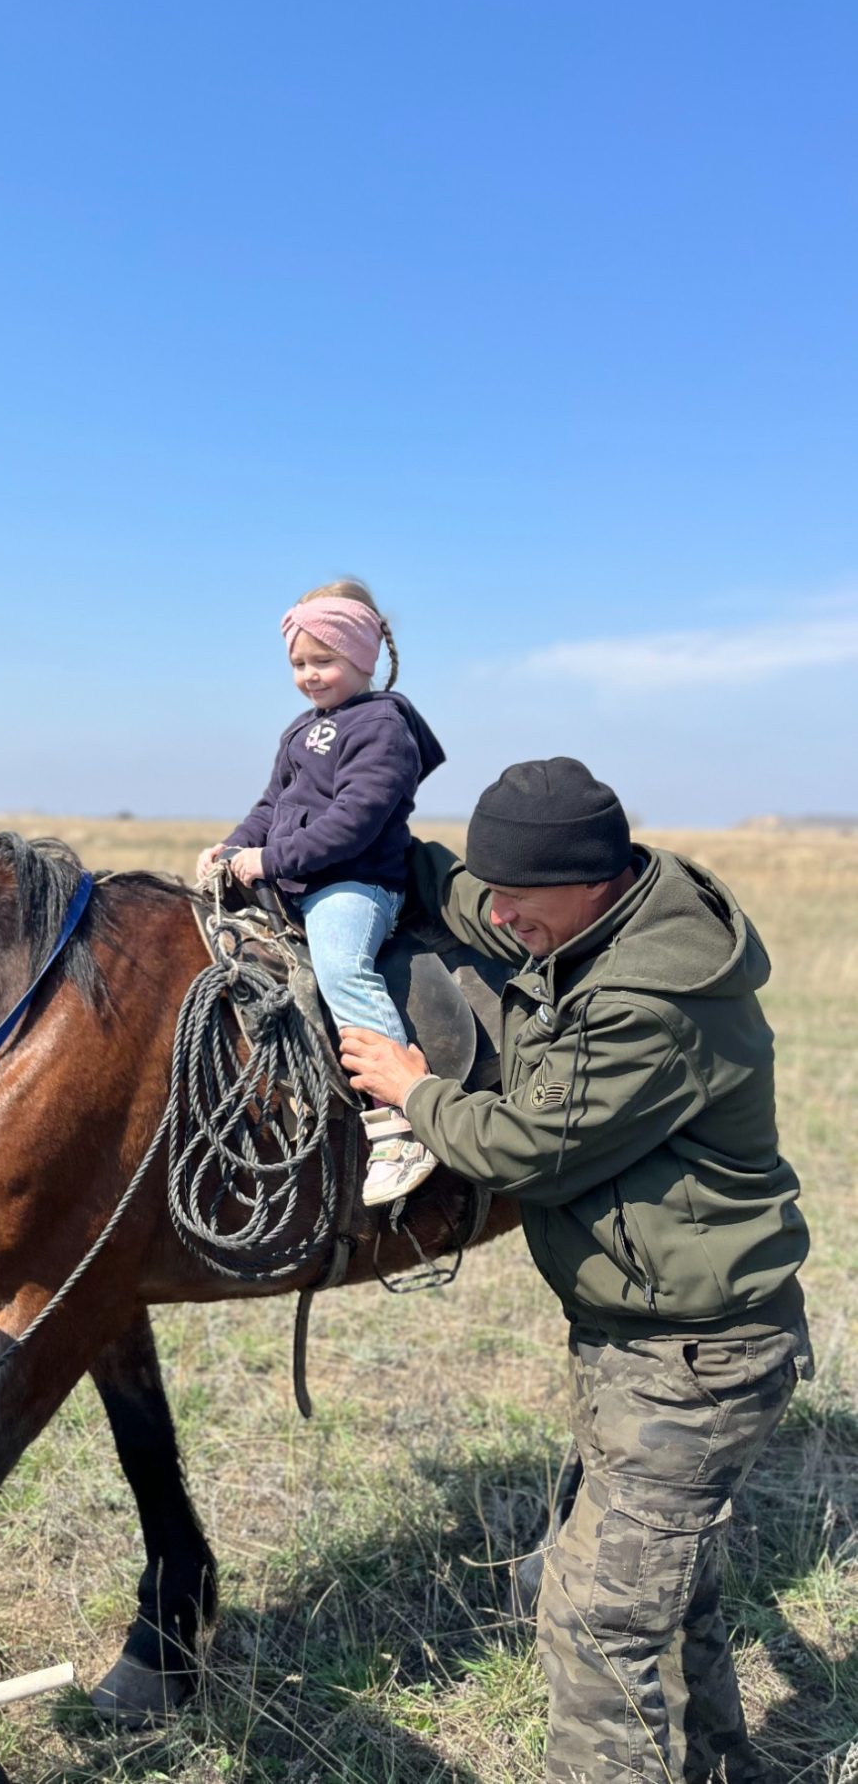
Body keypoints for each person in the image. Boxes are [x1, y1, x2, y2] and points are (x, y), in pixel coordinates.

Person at [338, 757, 811, 1784]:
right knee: (668, 1598)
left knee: (595, 1625)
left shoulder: (651, 999)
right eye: (494, 891)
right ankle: (724, 1769)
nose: (501, 916)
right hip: (643, 1340)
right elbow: (475, 894)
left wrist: (412, 1089)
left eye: (522, 897)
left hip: (696, 1355)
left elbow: (525, 1149)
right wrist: (393, 856)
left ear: (590, 880)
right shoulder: (599, 908)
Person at [195, 579, 446, 1204]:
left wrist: (271, 859)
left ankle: (400, 1121)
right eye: (298, 664)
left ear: (363, 658)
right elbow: (270, 805)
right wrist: (232, 850)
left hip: (354, 884)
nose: (309, 675)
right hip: (294, 878)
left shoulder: (383, 725)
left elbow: (355, 820)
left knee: (341, 969)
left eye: (323, 661)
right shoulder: (300, 730)